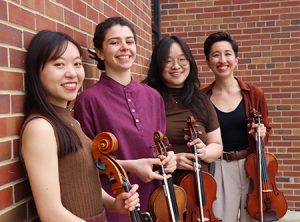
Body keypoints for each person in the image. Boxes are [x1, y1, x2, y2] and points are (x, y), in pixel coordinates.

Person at [20, 30, 140, 222]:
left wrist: (114, 204)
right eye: (59, 64)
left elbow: (80, 182)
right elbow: (51, 214)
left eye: (77, 64)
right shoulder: (41, 128)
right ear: (37, 71)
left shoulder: (70, 120)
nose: (72, 73)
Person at [74, 17, 177, 221]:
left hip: (159, 201)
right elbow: (86, 163)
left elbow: (163, 145)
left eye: (129, 42)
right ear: (100, 52)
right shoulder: (88, 100)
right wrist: (130, 165)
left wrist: (170, 159)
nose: (124, 48)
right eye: (114, 42)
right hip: (118, 203)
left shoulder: (153, 96)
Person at [144, 35, 222, 204]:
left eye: (182, 59)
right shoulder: (147, 98)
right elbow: (139, 147)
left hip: (199, 191)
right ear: (158, 65)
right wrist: (173, 160)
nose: (176, 66)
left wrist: (205, 152)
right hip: (162, 190)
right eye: (168, 61)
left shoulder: (201, 100)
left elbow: (217, 144)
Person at [202, 31, 271, 222]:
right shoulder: (202, 99)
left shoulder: (255, 94)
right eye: (216, 55)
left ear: (236, 59)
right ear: (208, 62)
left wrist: (262, 133)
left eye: (227, 54)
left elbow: (266, 130)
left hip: (252, 167)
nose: (222, 60)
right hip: (219, 168)